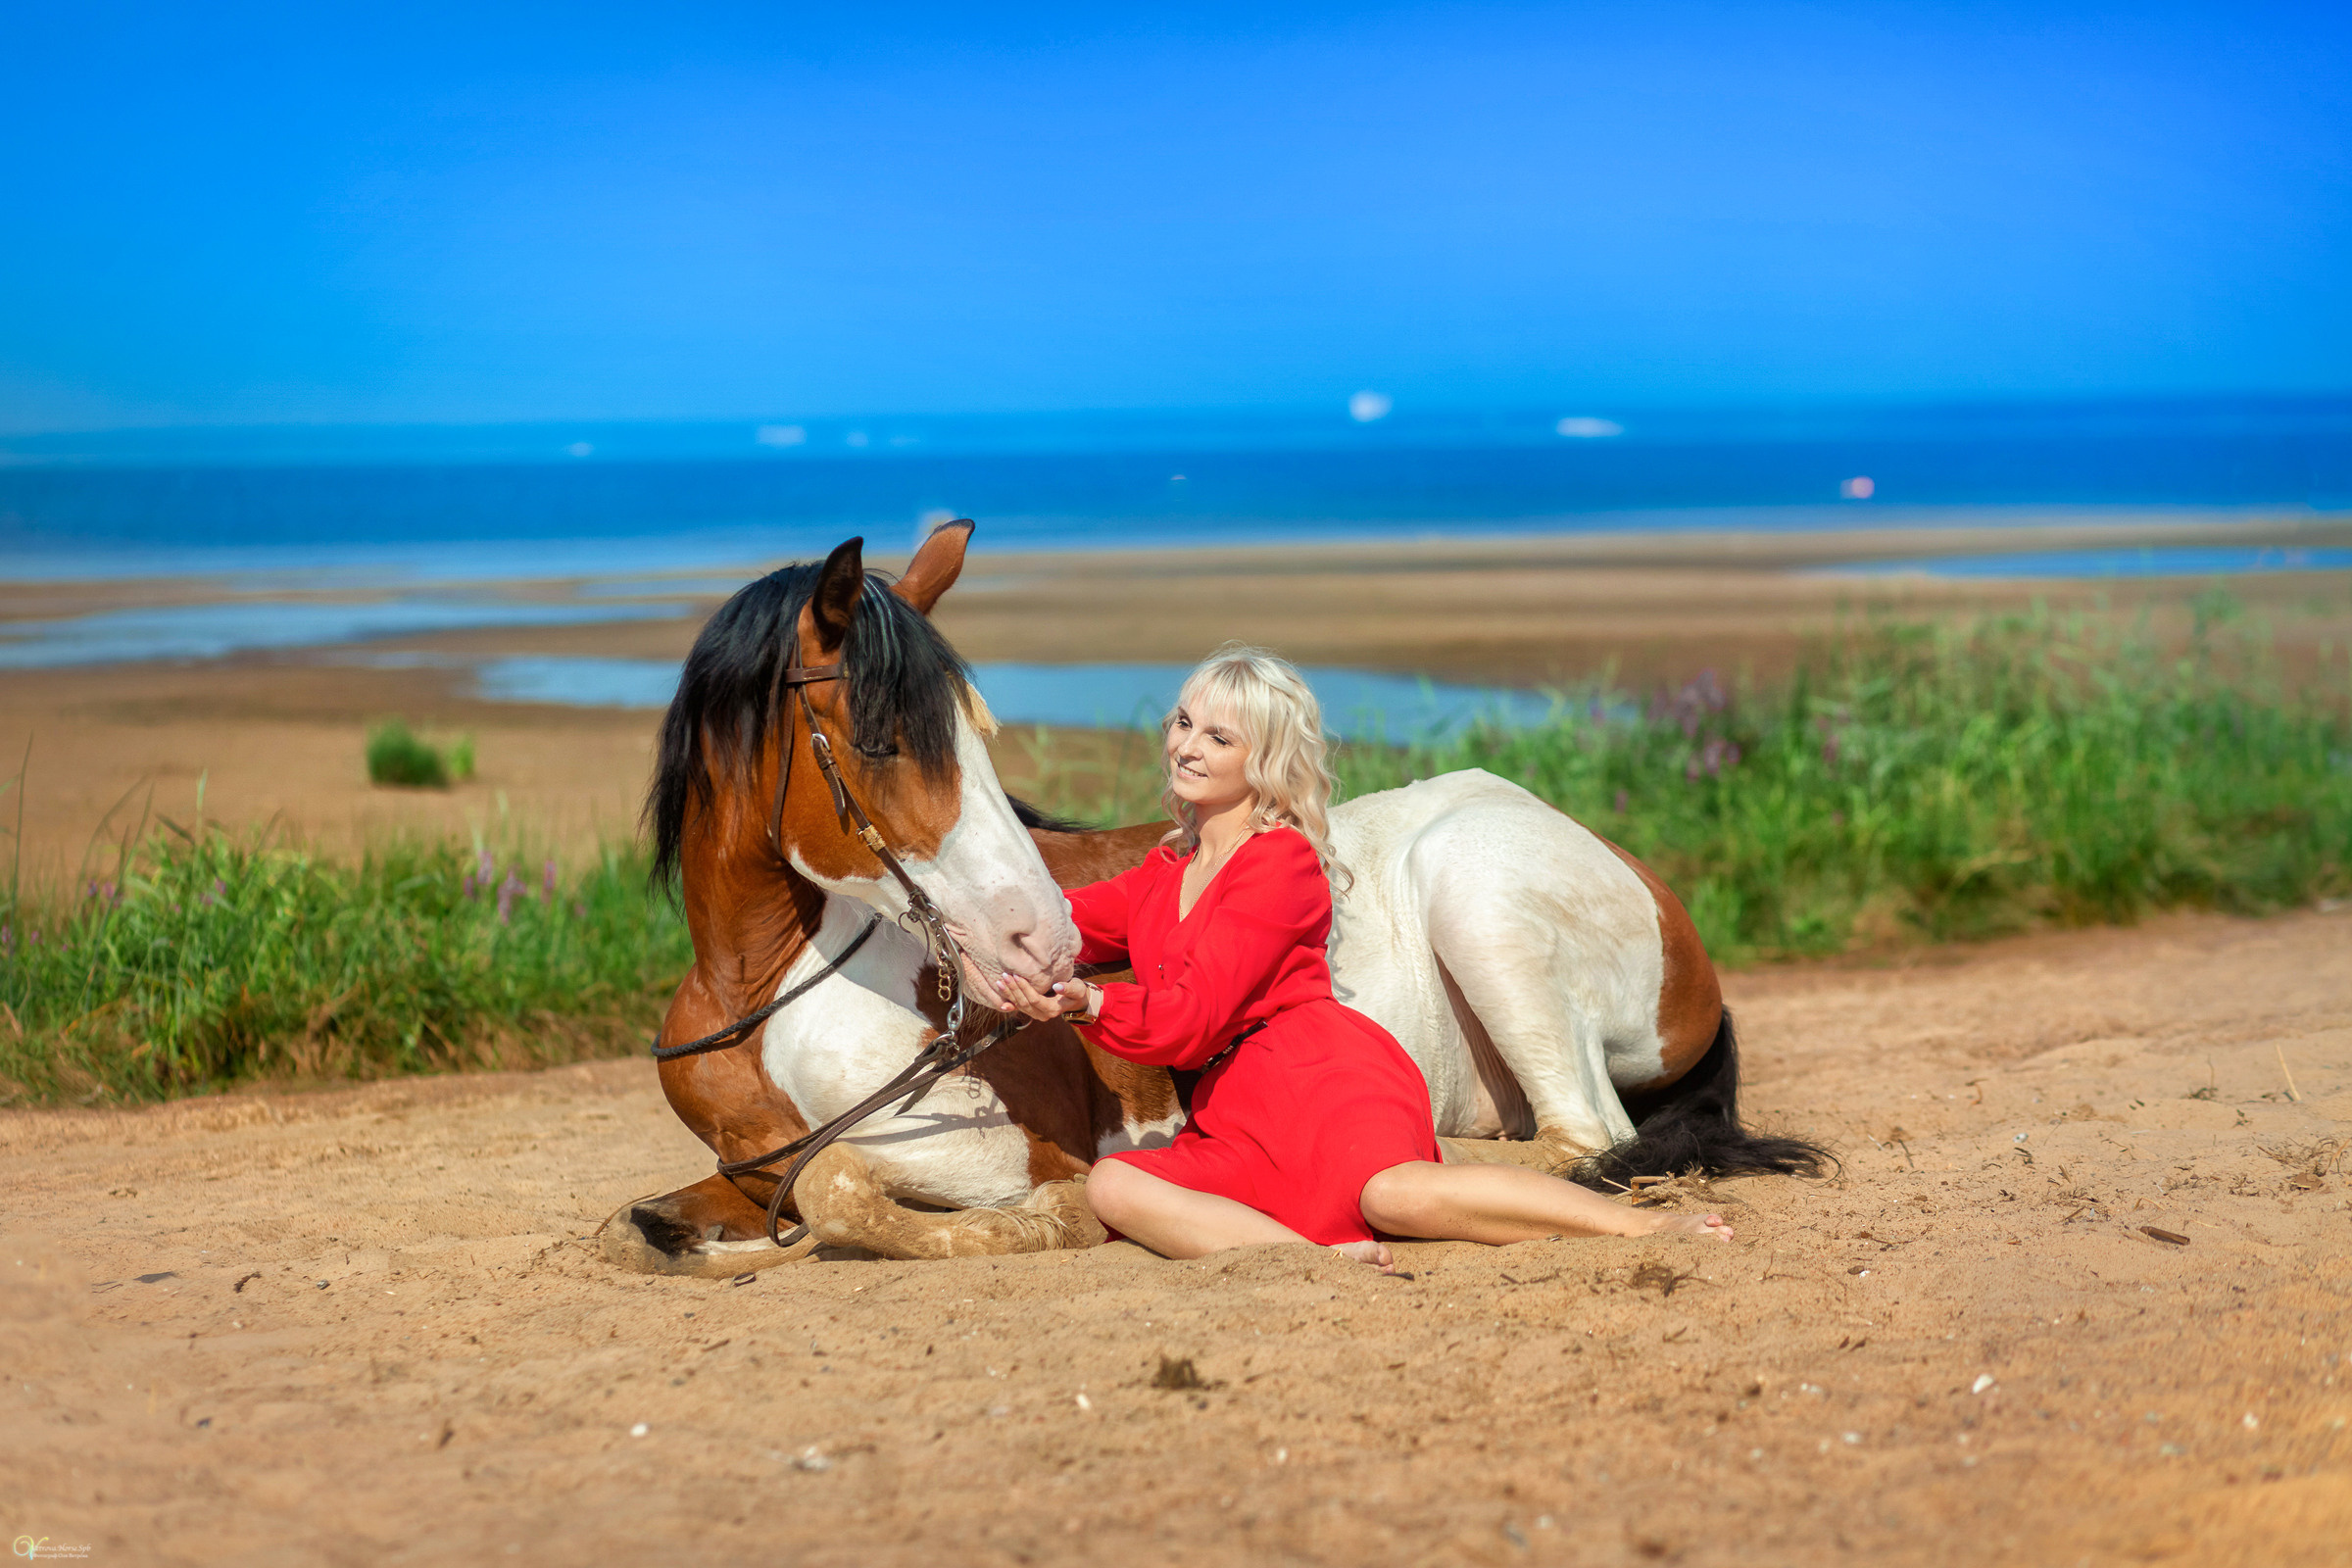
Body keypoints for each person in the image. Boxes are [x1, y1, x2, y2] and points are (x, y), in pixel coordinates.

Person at [973, 644, 1733, 1267]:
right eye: (1183, 722)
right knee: (1114, 1186)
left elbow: (1195, 1016)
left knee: (1395, 1197)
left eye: (1218, 737)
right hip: (1233, 1116)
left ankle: (1640, 1228)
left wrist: (1090, 1002)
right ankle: (1313, 1258)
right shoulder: (1162, 875)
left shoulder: (1282, 864)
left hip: (1321, 1082)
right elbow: (1060, 921)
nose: (1187, 747)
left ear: (1264, 759)